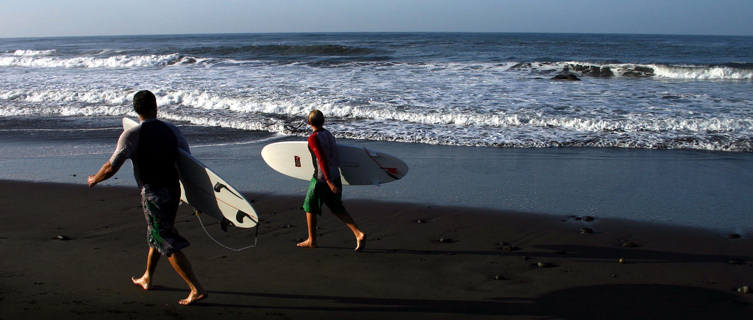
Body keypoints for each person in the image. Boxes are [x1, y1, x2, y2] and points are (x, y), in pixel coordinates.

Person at [87, 90, 207, 305]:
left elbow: (111, 166)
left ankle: (195, 288)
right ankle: (147, 277)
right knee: (157, 232)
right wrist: (194, 195)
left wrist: (95, 179)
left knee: (164, 238)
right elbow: (188, 163)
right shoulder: (172, 130)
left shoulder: (132, 134)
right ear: (155, 106)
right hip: (173, 191)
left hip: (153, 193)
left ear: (136, 110)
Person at [297, 109, 366, 252]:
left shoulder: (313, 138)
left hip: (322, 179)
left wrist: (328, 181)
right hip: (335, 175)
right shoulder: (328, 134)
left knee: (309, 206)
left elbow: (321, 159)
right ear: (323, 121)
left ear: (309, 122)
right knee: (336, 208)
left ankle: (312, 240)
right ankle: (358, 234)